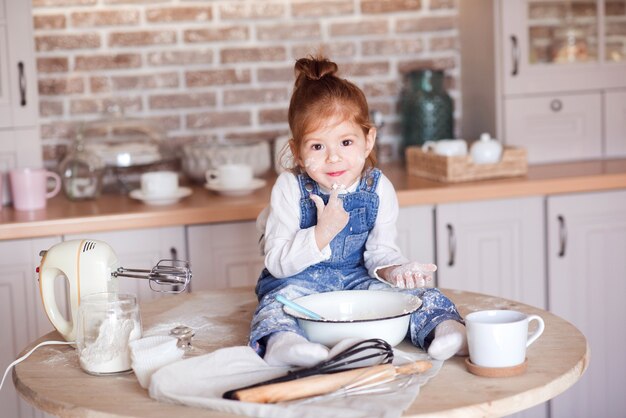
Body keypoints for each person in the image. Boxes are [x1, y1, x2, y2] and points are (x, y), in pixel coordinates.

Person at [249, 55, 467, 367]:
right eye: (317, 147)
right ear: (297, 152)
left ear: (368, 141)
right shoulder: (288, 188)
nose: (334, 159)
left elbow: (379, 251)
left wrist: (394, 270)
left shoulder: (377, 188)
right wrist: (321, 233)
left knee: (417, 297)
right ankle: (283, 342)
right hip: (297, 284)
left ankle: (445, 330)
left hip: (356, 281)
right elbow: (278, 265)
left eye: (346, 142)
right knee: (274, 306)